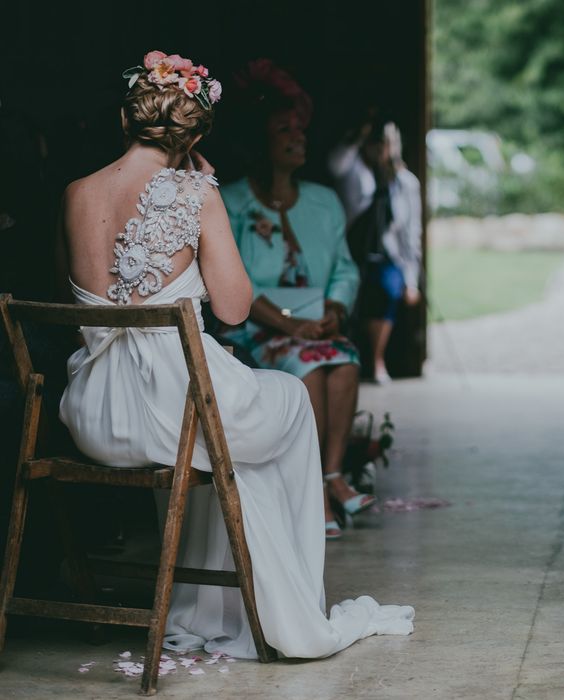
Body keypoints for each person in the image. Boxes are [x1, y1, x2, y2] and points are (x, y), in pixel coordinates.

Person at [57, 51, 413, 660]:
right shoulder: (197, 191)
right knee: (290, 400)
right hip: (177, 411)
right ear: (194, 136)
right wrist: (207, 195)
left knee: (230, 437)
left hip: (97, 416)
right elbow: (236, 309)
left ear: (126, 121)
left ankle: (209, 602)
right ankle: (281, 604)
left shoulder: (76, 193)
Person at [219, 59, 372, 540]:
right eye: (283, 129)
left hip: (313, 328)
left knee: (344, 361)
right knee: (309, 364)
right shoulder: (233, 201)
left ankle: (332, 477)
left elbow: (344, 267)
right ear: (262, 143)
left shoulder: (325, 201)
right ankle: (316, 495)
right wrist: (291, 326)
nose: (297, 136)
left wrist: (333, 311)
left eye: (300, 128)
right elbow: (237, 279)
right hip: (259, 330)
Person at [328, 118, 423, 384]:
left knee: (389, 289)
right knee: (347, 298)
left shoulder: (405, 183)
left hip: (387, 253)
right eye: (374, 142)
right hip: (351, 250)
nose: (378, 149)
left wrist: (411, 280)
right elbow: (334, 165)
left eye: (384, 143)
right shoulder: (354, 170)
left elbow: (410, 233)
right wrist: (360, 134)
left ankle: (377, 359)